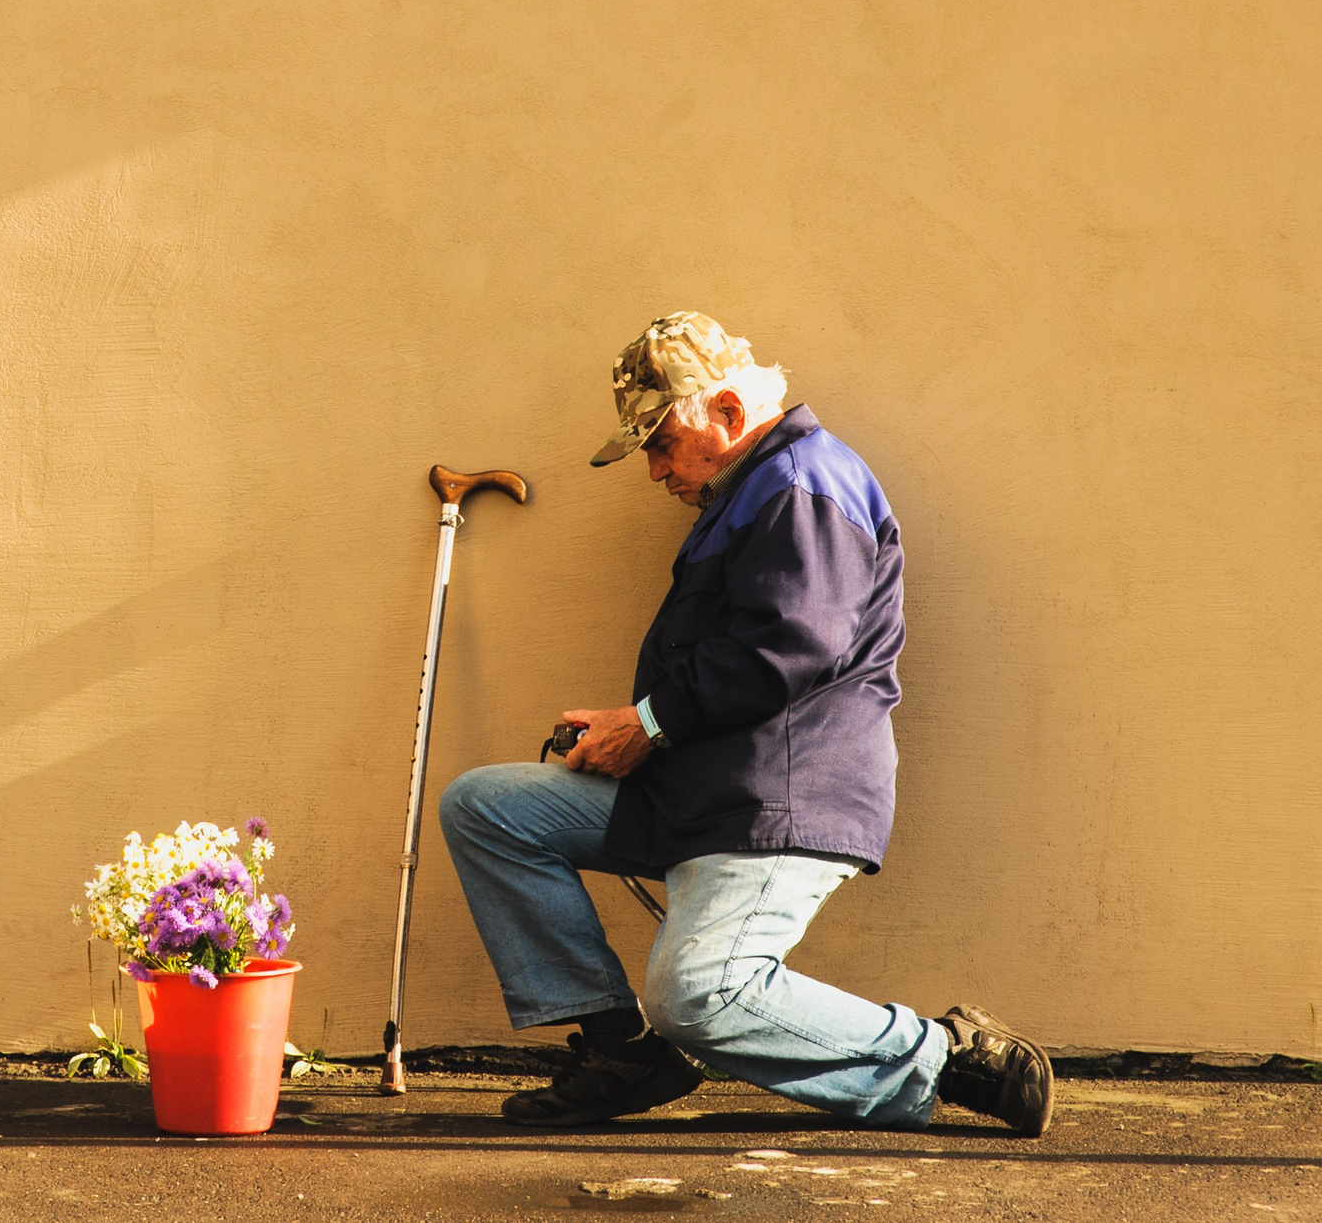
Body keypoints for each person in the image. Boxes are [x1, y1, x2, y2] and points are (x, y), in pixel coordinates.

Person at [437, 312, 1052, 1135]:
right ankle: (625, 1053)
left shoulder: (803, 484)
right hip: (701, 789)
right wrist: (631, 729)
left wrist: (646, 722)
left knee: (699, 994)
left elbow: (793, 643)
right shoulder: (753, 490)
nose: (652, 468)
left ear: (728, 412)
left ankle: (945, 1056)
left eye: (659, 442)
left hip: (772, 804)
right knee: (488, 807)